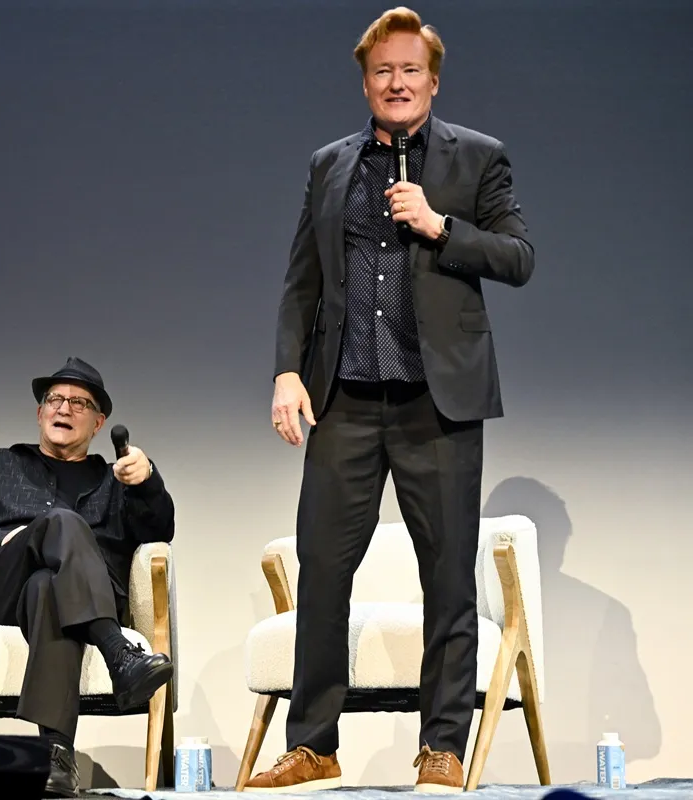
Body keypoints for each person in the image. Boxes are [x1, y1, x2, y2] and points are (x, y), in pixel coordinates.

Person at [248, 7, 534, 794]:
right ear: (366, 82)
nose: (397, 82)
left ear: (432, 82)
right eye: (383, 71)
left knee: (446, 576)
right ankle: (314, 744)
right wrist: (286, 372)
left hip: (436, 403)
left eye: (410, 70)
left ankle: (440, 745)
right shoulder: (329, 164)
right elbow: (301, 280)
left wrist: (442, 227)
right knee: (324, 569)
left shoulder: (478, 158)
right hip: (344, 398)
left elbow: (518, 256)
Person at [0, 356, 176, 798]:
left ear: (99, 423)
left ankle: (55, 759)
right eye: (55, 399)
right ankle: (117, 652)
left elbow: (160, 531)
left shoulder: (114, 479)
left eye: (79, 403)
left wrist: (148, 482)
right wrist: (3, 541)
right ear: (40, 412)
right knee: (60, 523)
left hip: (72, 600)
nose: (64, 408)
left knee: (49, 587)